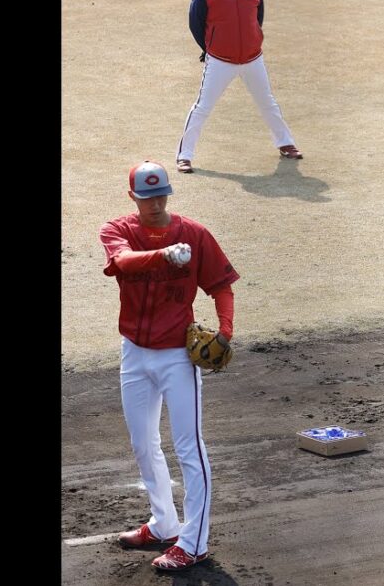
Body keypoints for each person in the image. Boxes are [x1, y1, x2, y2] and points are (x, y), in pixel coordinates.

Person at [100, 160, 240, 571]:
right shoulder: (117, 230)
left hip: (178, 356)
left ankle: (194, 543)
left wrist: (225, 332)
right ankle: (164, 523)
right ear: (133, 197)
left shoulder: (194, 234)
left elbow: (221, 286)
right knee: (143, 443)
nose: (156, 203)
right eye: (147, 197)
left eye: (161, 195)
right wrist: (162, 255)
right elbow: (123, 262)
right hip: (134, 353)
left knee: (189, 447)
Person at [175, 0, 302, 174]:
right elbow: (195, 24)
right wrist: (210, 48)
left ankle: (286, 143)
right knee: (202, 107)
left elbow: (257, 19)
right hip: (220, 62)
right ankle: (184, 156)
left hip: (253, 59)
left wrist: (250, 40)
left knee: (267, 103)